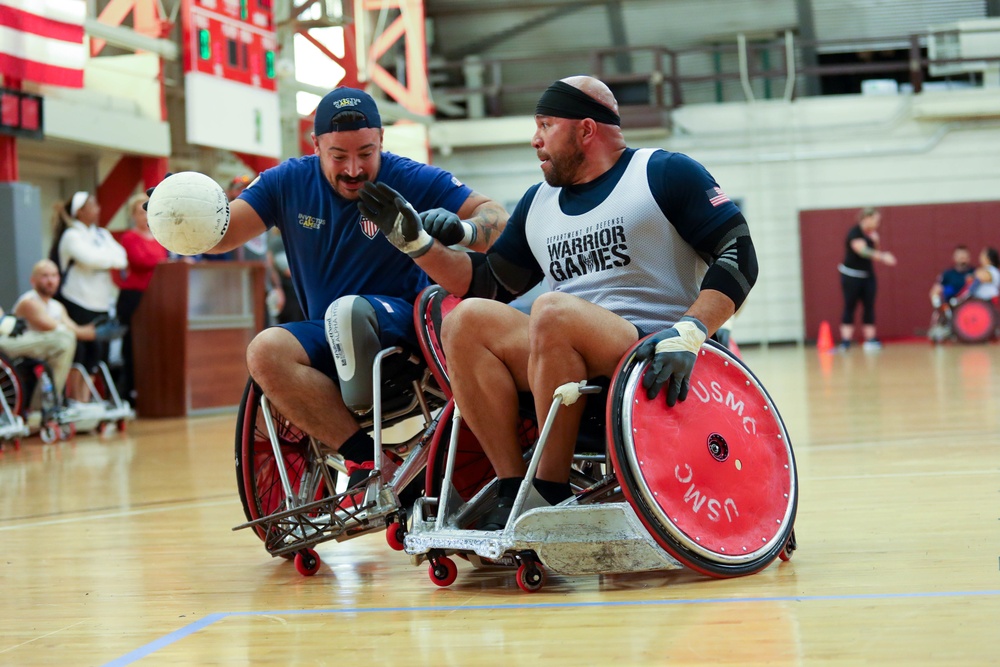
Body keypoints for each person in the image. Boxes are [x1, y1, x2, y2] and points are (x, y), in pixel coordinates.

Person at [358, 75, 758, 529]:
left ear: (586, 130)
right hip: (562, 347)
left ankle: (547, 488)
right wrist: (418, 245)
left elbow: (739, 252)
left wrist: (690, 332)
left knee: (551, 309)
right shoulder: (538, 202)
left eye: (546, 125)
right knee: (466, 320)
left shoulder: (664, 172)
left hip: (647, 350)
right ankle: (513, 487)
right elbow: (486, 285)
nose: (535, 139)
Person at [149, 87, 508, 484]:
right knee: (265, 350)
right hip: (327, 334)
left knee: (348, 311)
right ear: (315, 144)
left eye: (366, 154)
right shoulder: (286, 182)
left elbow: (496, 216)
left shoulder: (410, 176)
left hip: (401, 327)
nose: (353, 169)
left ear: (381, 141)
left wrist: (465, 227)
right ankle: (365, 461)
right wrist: (180, 215)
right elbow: (225, 232)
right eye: (338, 156)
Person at [4, 260, 123, 405]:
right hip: (22, 349)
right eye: (45, 276)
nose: (50, 281)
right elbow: (55, 328)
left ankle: (81, 400)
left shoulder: (57, 306)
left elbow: (74, 328)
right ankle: (49, 404)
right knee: (67, 340)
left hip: (45, 350)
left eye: (54, 276)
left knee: (91, 346)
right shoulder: (29, 302)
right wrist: (95, 332)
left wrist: (96, 330)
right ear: (33, 280)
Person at [50, 192, 128, 385]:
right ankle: (76, 400)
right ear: (80, 211)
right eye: (92, 205)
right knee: (80, 354)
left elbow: (122, 258)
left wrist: (104, 260)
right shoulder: (71, 235)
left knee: (98, 355)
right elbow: (91, 259)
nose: (98, 209)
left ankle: (86, 400)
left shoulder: (102, 234)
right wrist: (107, 260)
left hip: (100, 302)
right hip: (76, 300)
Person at [113, 193, 169, 401]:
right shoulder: (129, 237)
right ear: (133, 215)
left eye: (148, 210)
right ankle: (129, 391)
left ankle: (150, 390)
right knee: (132, 346)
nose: (145, 215)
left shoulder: (159, 237)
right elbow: (140, 261)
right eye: (140, 211)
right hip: (133, 297)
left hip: (154, 297)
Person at [837, 207, 896, 351]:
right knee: (850, 306)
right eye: (876, 220)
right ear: (866, 218)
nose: (878, 223)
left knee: (869, 306)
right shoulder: (855, 232)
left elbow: (872, 252)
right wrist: (883, 256)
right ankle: (846, 341)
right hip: (851, 276)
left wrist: (876, 242)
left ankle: (870, 339)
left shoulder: (871, 234)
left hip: (867, 275)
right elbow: (862, 251)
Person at [929, 245, 974, 309]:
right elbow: (935, 291)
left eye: (965, 257)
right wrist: (938, 304)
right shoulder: (947, 274)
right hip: (951, 309)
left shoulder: (975, 273)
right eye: (960, 257)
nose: (963, 260)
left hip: (969, 308)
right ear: (954, 257)